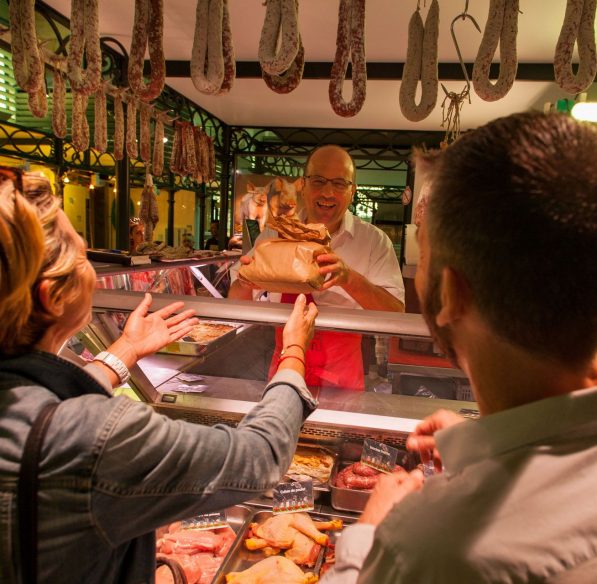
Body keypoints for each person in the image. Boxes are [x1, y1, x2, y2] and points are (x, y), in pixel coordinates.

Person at [0, 170, 319, 583]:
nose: (93, 273)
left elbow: (43, 414)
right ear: (52, 296)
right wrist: (293, 352)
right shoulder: (96, 438)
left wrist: (123, 353)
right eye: (83, 257)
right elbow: (257, 458)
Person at [321, 112, 597, 582]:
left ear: (450, 294)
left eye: (422, 253)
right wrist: (482, 440)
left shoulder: (428, 545)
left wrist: (369, 532)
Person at [229, 145, 405, 390]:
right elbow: (235, 301)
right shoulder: (274, 235)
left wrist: (349, 279)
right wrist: (248, 280)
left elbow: (396, 316)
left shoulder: (373, 241)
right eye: (318, 181)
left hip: (342, 381)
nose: (327, 192)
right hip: (284, 373)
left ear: (352, 192)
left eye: (339, 183)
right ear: (303, 185)